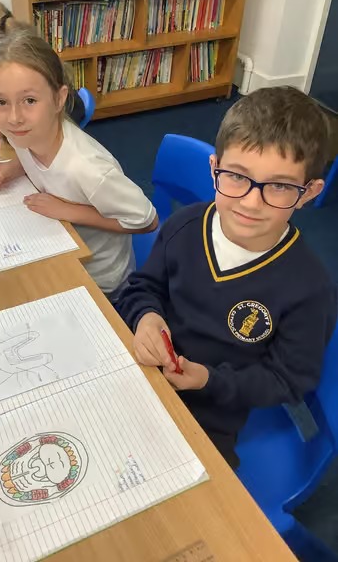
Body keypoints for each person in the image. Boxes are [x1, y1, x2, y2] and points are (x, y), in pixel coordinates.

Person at [117, 86, 337, 468]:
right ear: (214, 168)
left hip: (211, 412)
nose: (251, 202)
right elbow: (143, 288)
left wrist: (209, 380)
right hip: (142, 369)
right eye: (236, 176)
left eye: (280, 186)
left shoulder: (308, 287)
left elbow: (289, 380)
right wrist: (147, 318)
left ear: (308, 193)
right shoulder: (185, 225)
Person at [0, 27, 158, 299]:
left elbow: (147, 220)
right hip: (58, 246)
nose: (14, 117)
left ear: (59, 99)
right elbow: (32, 159)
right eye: (1, 102)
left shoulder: (87, 169)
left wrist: (68, 210)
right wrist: (12, 168)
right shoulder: (24, 136)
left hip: (101, 281)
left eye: (29, 100)